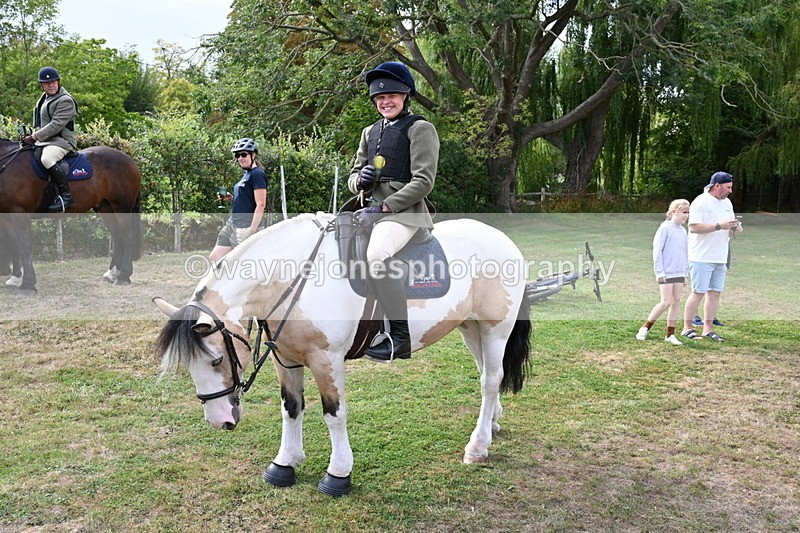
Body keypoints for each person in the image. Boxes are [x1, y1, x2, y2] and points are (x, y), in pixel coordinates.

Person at [347, 61, 439, 362]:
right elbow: (353, 175)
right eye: (379, 98)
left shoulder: (421, 129)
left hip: (405, 213)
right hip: (368, 210)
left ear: (405, 96)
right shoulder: (368, 132)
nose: (385, 101)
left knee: (376, 256)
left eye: (392, 96)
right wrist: (358, 180)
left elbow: (424, 181)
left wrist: (385, 207)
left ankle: (400, 338)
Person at [681, 171, 743, 342]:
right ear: (717, 186)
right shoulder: (700, 202)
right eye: (728, 187)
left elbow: (728, 223)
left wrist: (735, 227)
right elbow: (693, 227)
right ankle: (687, 327)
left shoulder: (727, 203)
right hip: (701, 256)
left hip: (720, 256)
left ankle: (707, 329)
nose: (730, 191)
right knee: (698, 292)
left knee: (714, 293)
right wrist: (718, 226)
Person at [22, 67, 78, 211]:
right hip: (46, 140)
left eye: (53, 82)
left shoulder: (66, 100)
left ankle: (66, 197)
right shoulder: (45, 98)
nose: (51, 85)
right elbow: (43, 123)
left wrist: (35, 136)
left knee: (47, 159)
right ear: (42, 85)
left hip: (62, 142)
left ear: (58, 82)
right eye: (47, 83)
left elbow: (56, 125)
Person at [636, 199, 690, 345]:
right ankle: (645, 328)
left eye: (688, 213)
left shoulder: (683, 231)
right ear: (674, 212)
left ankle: (670, 334)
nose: (686, 216)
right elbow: (657, 251)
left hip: (679, 272)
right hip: (666, 272)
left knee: (676, 301)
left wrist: (685, 273)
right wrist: (660, 272)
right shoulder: (665, 228)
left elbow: (685, 253)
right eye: (684, 212)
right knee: (666, 302)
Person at [209, 138, 268, 262]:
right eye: (237, 155)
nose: (240, 158)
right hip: (233, 224)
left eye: (243, 154)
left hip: (246, 226)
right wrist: (232, 198)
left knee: (246, 265)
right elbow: (247, 199)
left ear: (253, 155)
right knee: (215, 257)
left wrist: (252, 231)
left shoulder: (257, 174)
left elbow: (261, 204)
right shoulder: (247, 174)